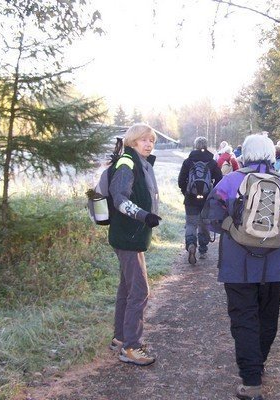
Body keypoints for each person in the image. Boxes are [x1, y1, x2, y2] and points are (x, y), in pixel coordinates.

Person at [202, 133, 280, 400]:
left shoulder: (230, 181)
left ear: (245, 153)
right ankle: (259, 363)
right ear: (271, 155)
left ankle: (251, 381)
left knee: (244, 318)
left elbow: (210, 220)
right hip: (275, 265)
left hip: (237, 263)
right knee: (267, 317)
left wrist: (232, 228)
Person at [107, 122, 162, 366]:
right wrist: (144, 215)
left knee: (127, 289)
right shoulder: (127, 163)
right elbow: (119, 199)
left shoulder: (139, 162)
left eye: (151, 140)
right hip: (128, 236)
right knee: (140, 291)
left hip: (130, 236)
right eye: (143, 140)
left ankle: (120, 338)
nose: (148, 144)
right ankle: (131, 347)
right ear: (132, 141)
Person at [178, 136, 223, 264]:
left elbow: (181, 180)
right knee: (204, 223)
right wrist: (213, 194)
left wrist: (186, 192)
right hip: (207, 199)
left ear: (195, 145)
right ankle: (203, 249)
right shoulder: (212, 162)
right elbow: (219, 180)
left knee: (191, 223)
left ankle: (191, 245)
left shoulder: (188, 161)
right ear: (206, 146)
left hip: (191, 198)